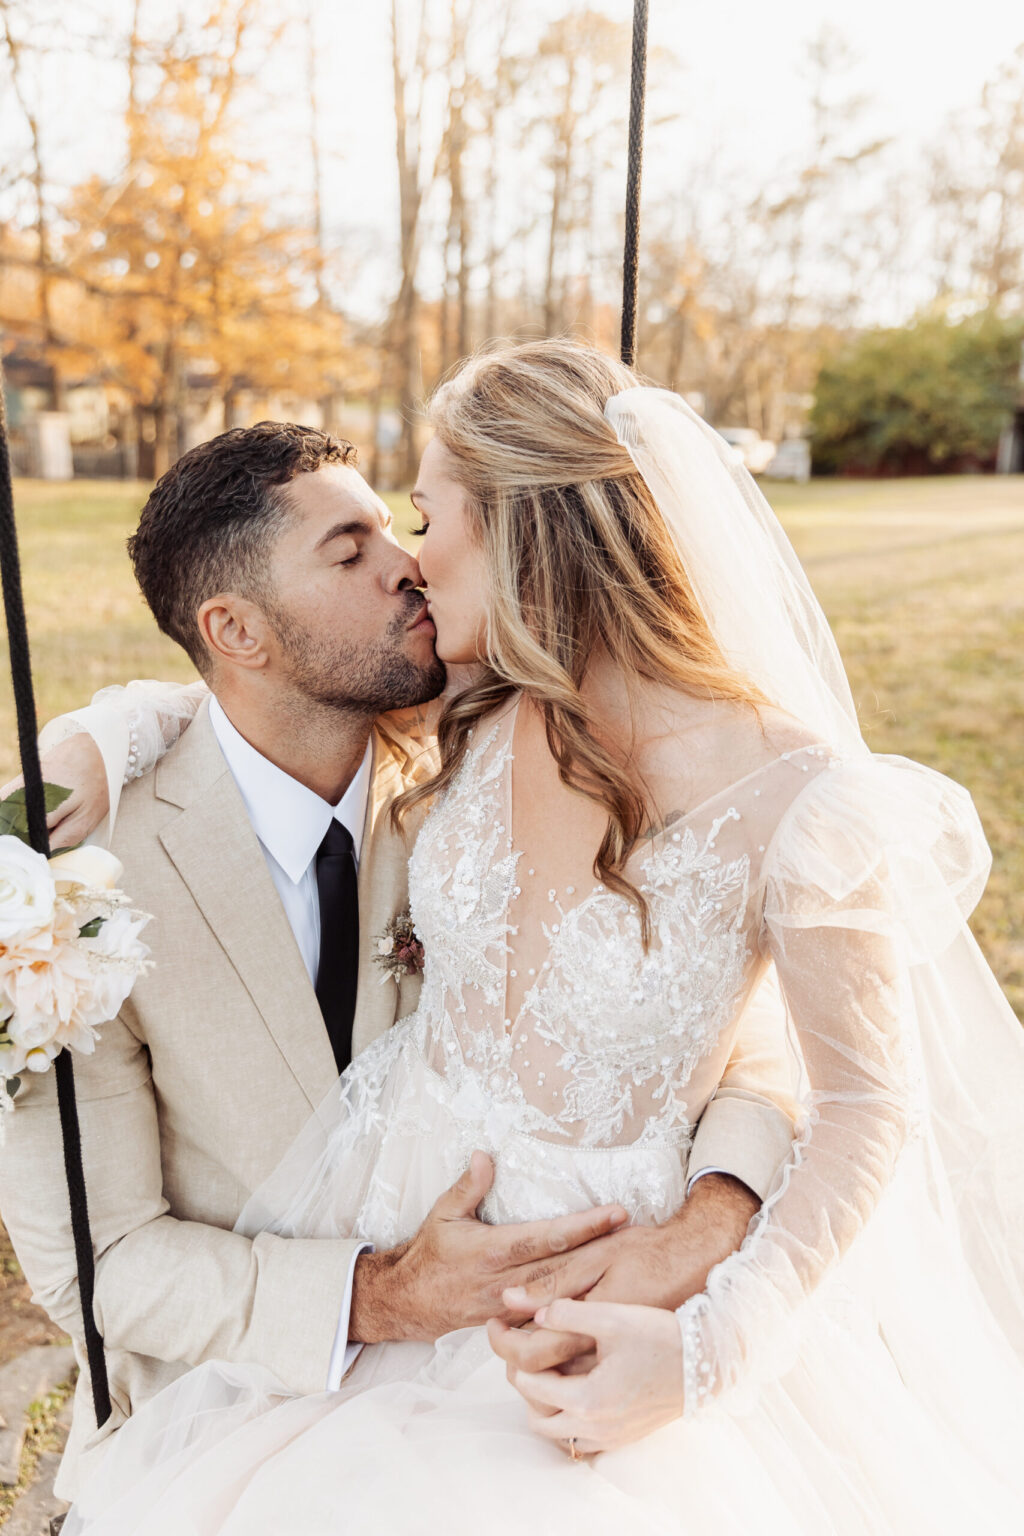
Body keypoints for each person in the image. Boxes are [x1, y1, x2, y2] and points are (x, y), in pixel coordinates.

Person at [0, 415, 798, 1506]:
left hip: (533, 1358)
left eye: (396, 528)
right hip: (247, 1403)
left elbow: (725, 1013)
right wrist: (381, 1301)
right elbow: (99, 1261)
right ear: (236, 631)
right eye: (350, 552)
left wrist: (711, 1221)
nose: (409, 565)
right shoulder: (67, 896)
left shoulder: (487, 758)